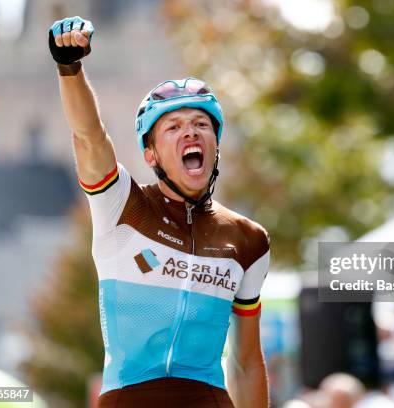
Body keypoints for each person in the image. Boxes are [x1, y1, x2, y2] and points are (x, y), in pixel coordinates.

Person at [48, 16, 271, 408]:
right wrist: (70, 69)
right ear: (150, 155)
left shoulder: (248, 238)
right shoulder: (121, 205)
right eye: (174, 127)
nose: (191, 132)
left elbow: (248, 361)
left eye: (202, 124)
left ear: (215, 147)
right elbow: (89, 135)